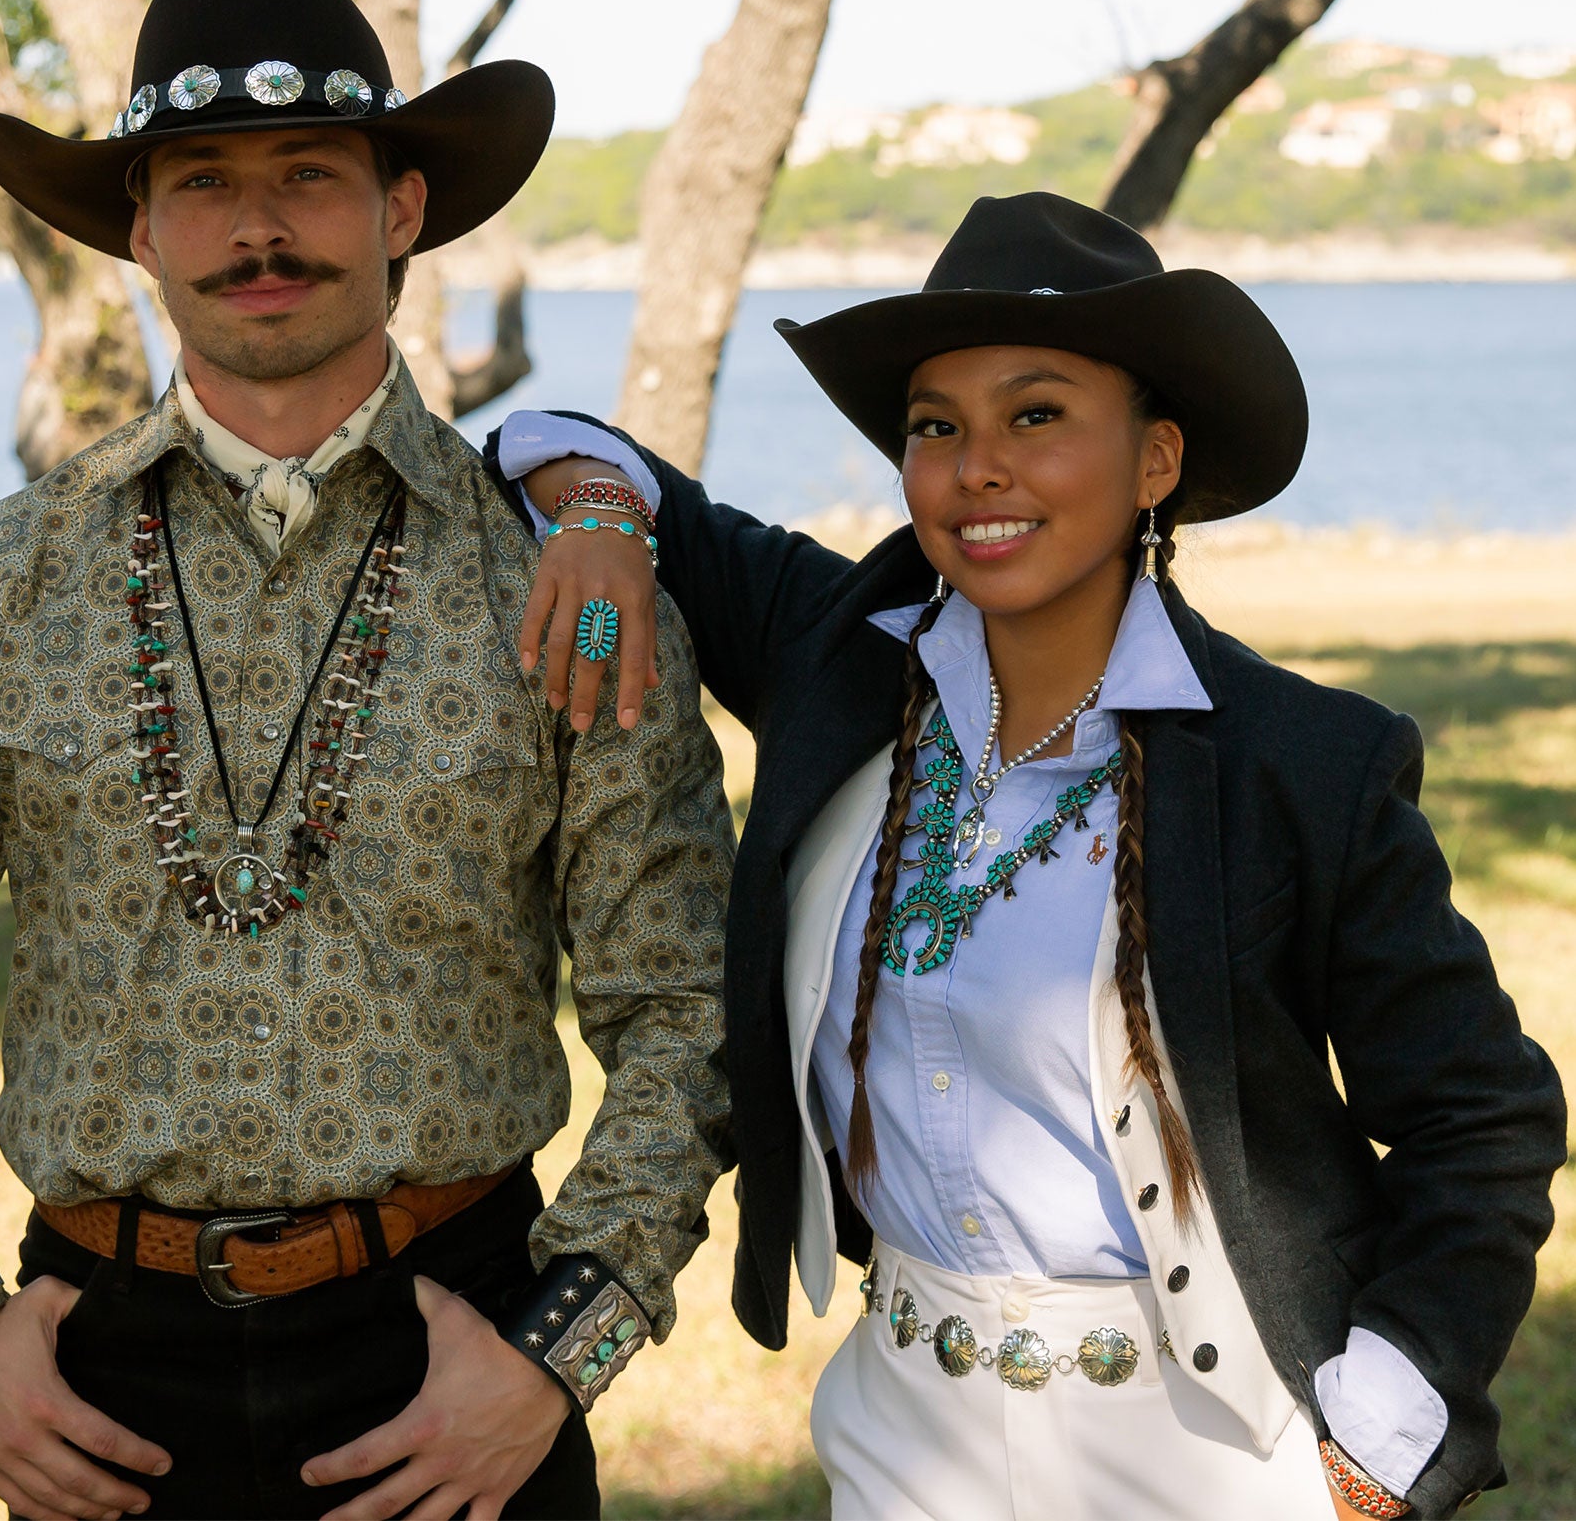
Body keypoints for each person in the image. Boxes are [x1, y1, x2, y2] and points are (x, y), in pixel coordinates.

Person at [0, 0, 736, 1521]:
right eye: (203, 182)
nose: (258, 226)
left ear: (401, 209)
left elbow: (687, 1001)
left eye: (307, 172)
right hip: (99, 1378)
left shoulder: (560, 578)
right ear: (141, 230)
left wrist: (560, 1341)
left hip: (457, 1353)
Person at [492, 192, 1566, 1521]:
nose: (974, 466)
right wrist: (599, 516)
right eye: (935, 425)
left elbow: (1480, 1115)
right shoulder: (837, 659)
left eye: (1036, 413)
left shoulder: (1301, 760)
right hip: (903, 1434)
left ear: (1156, 458)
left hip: (1212, 1450)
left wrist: (1372, 1448)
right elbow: (556, 436)